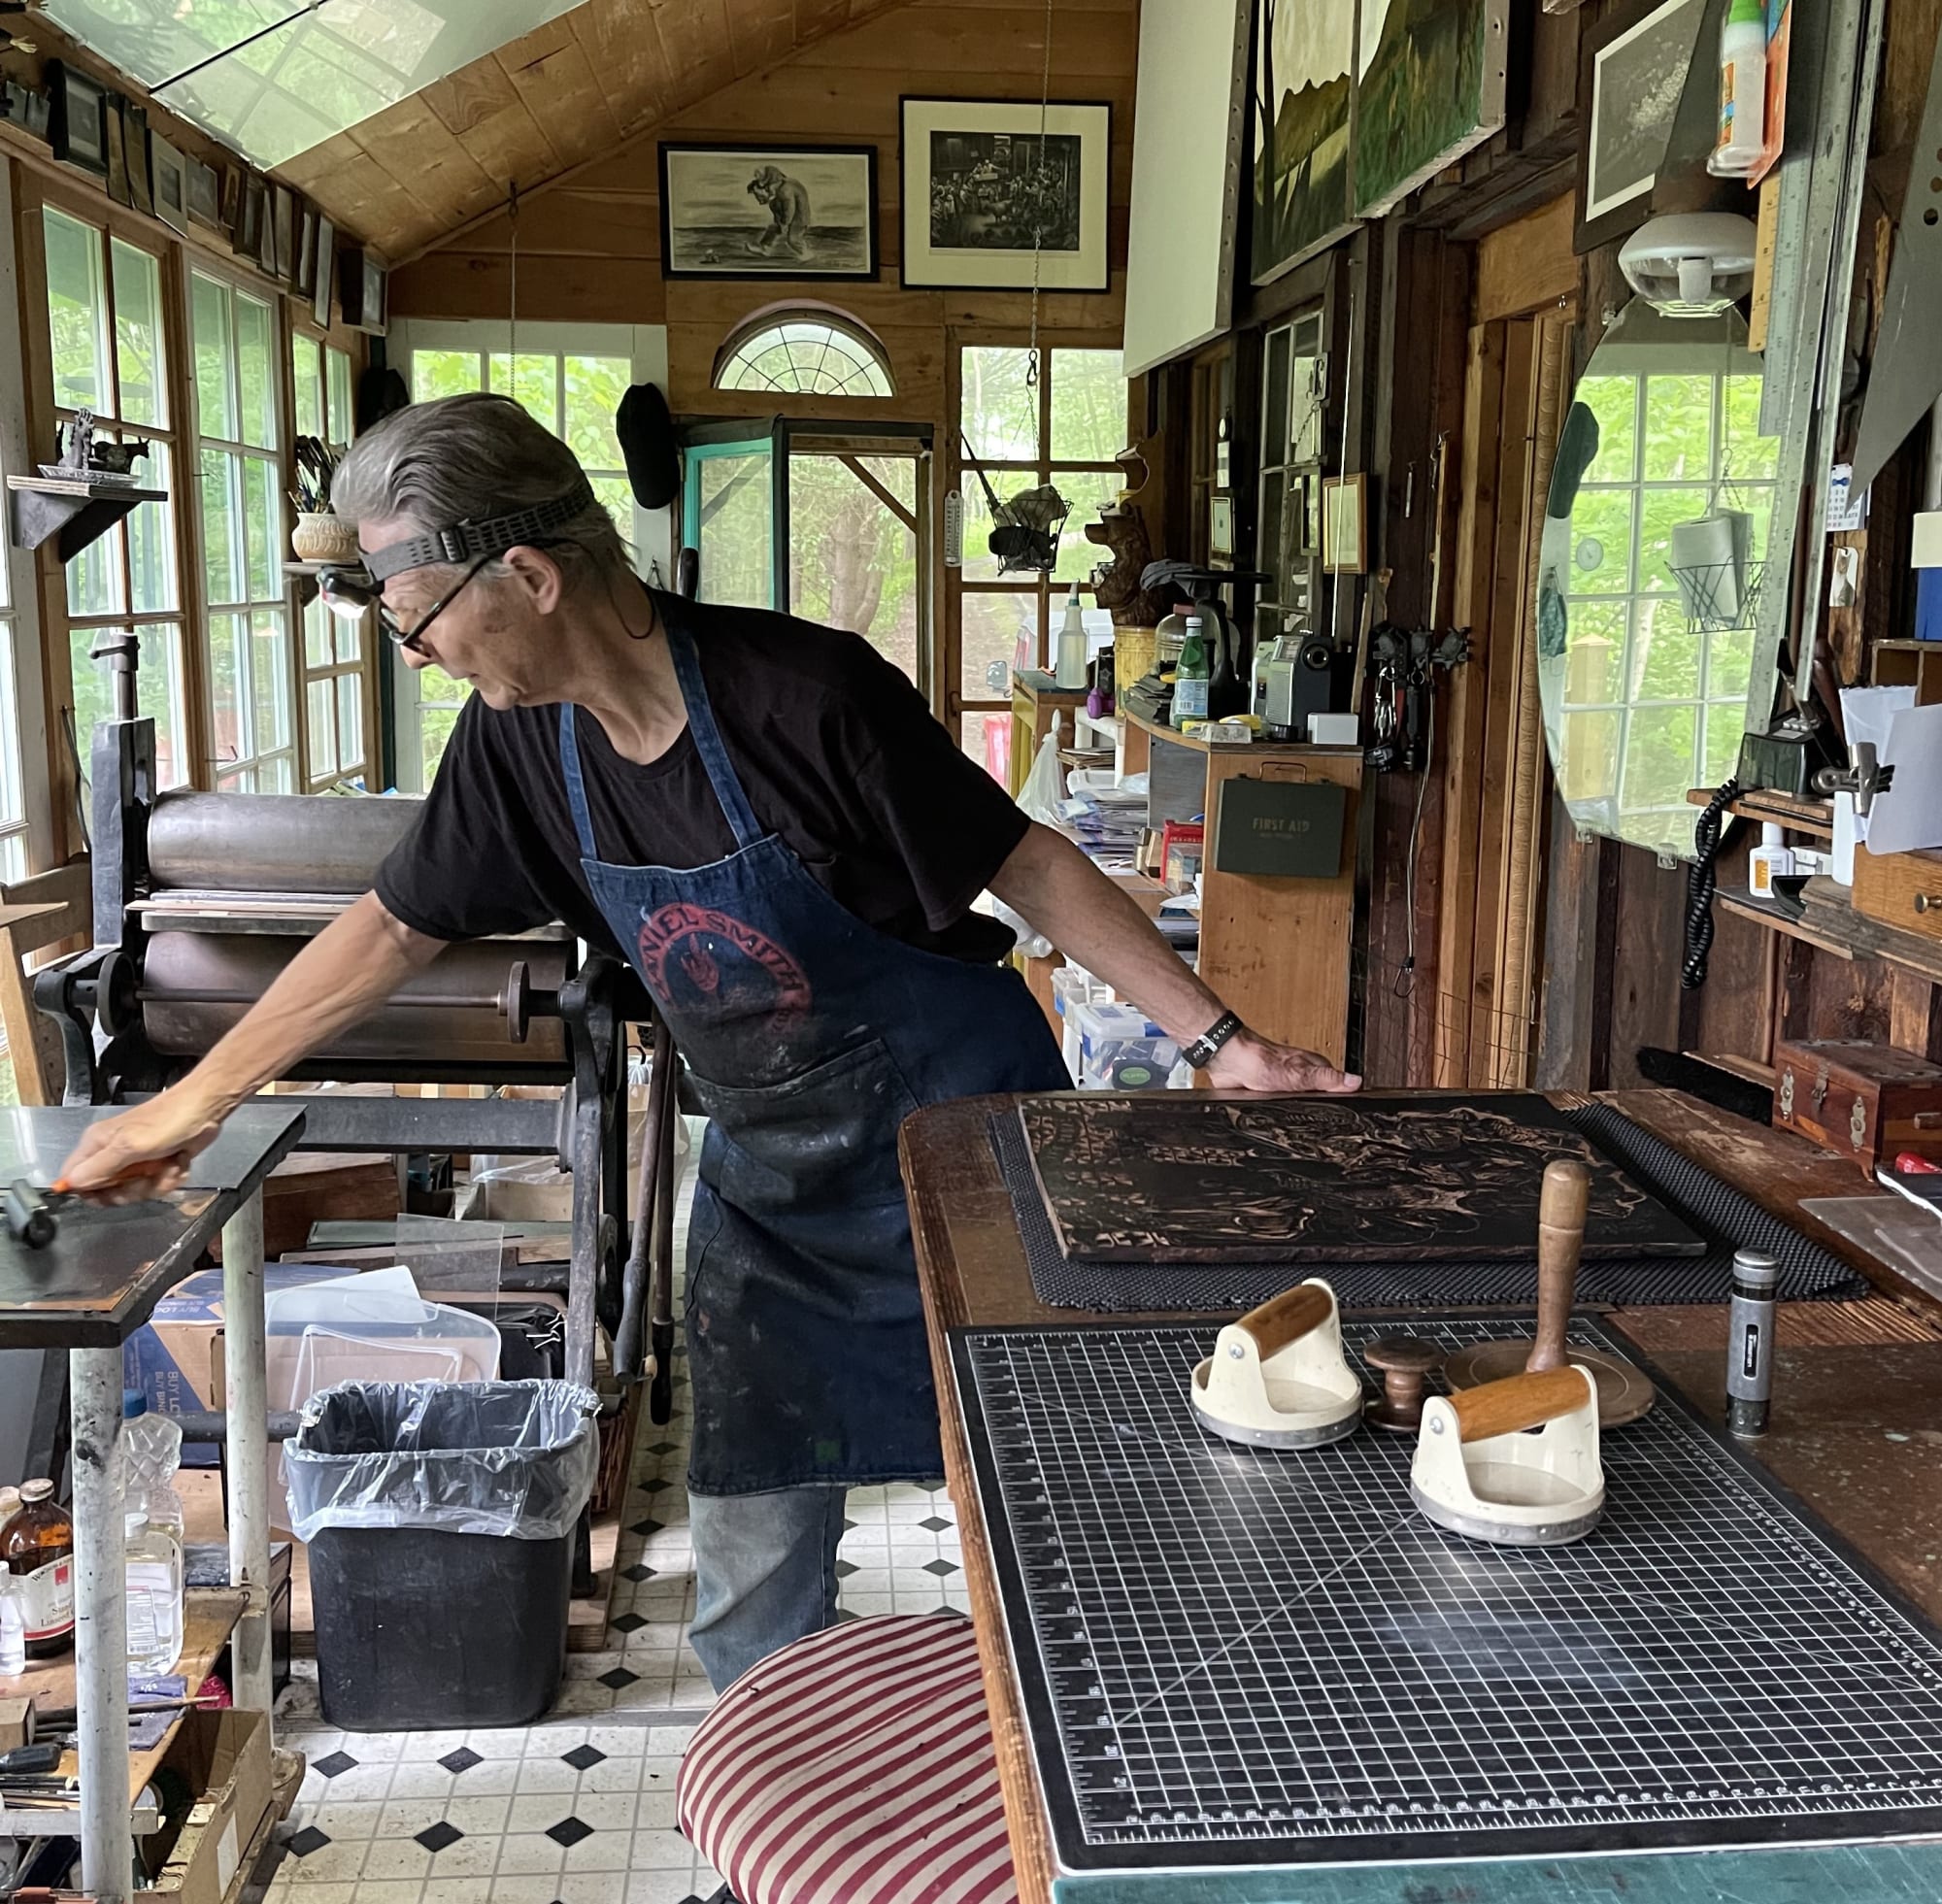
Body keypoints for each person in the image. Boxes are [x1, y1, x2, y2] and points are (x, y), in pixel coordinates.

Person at [60, 393, 1360, 1690]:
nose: (419, 655)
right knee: (751, 1580)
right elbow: (392, 928)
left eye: (418, 618)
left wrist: (1216, 1040)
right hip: (776, 1194)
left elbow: (1023, 863)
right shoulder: (521, 751)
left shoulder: (806, 699)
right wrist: (192, 1102)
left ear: (526, 574)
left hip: (969, 1162)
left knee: (1034, 1551)